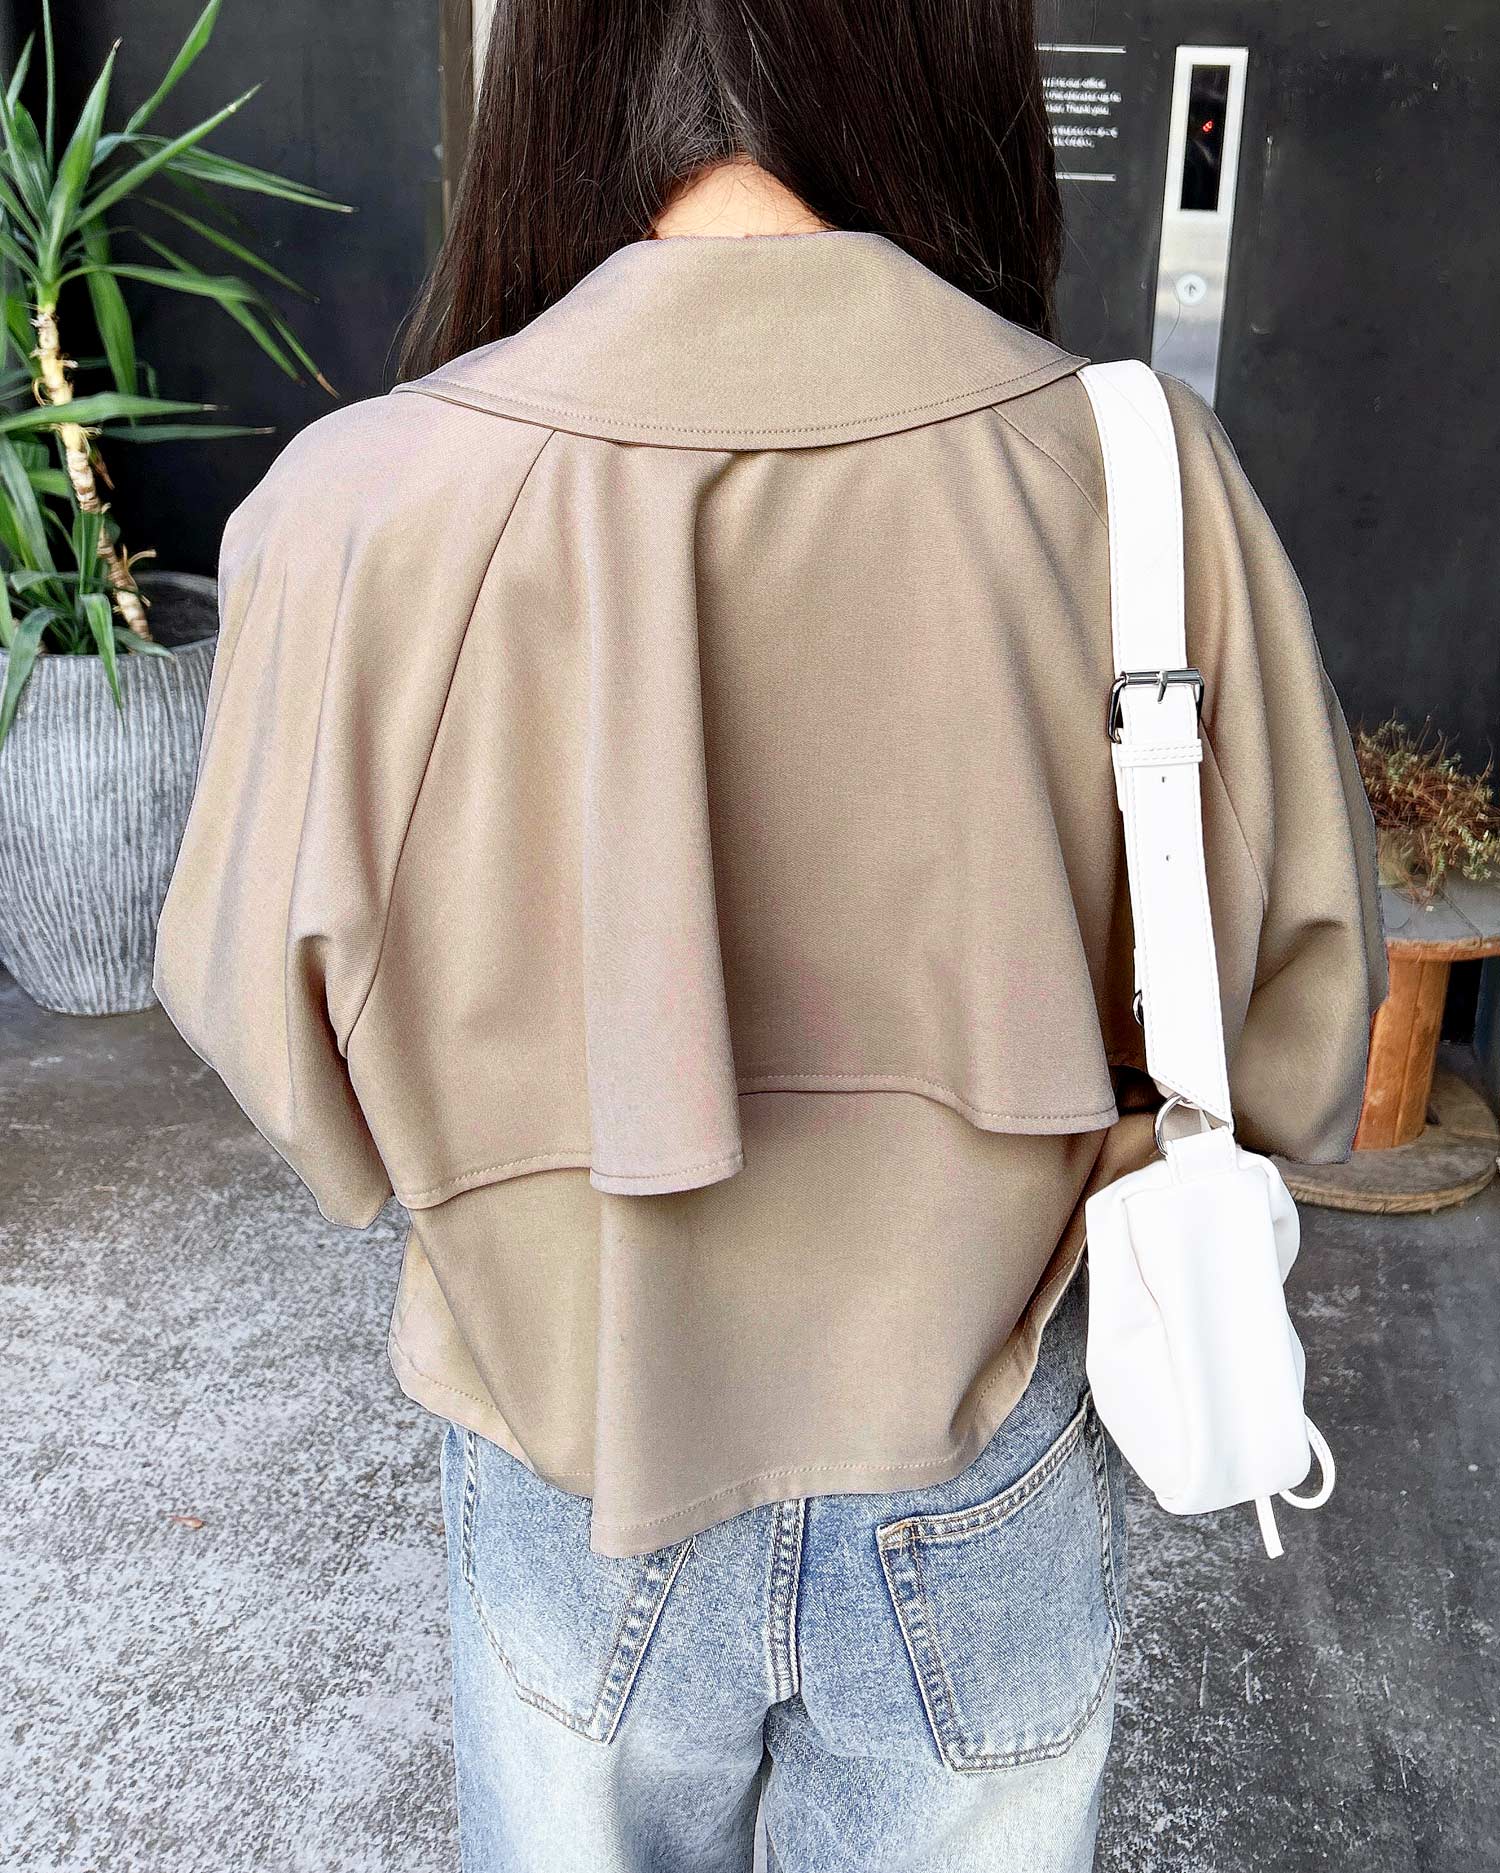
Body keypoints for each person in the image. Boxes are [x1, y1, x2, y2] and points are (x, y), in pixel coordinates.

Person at [152, 2, 1387, 1867]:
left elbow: (271, 1041)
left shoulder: (355, 510)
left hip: (572, 1433)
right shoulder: (1142, 478)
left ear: (552, 75)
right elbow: (1295, 1041)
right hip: (987, 1443)